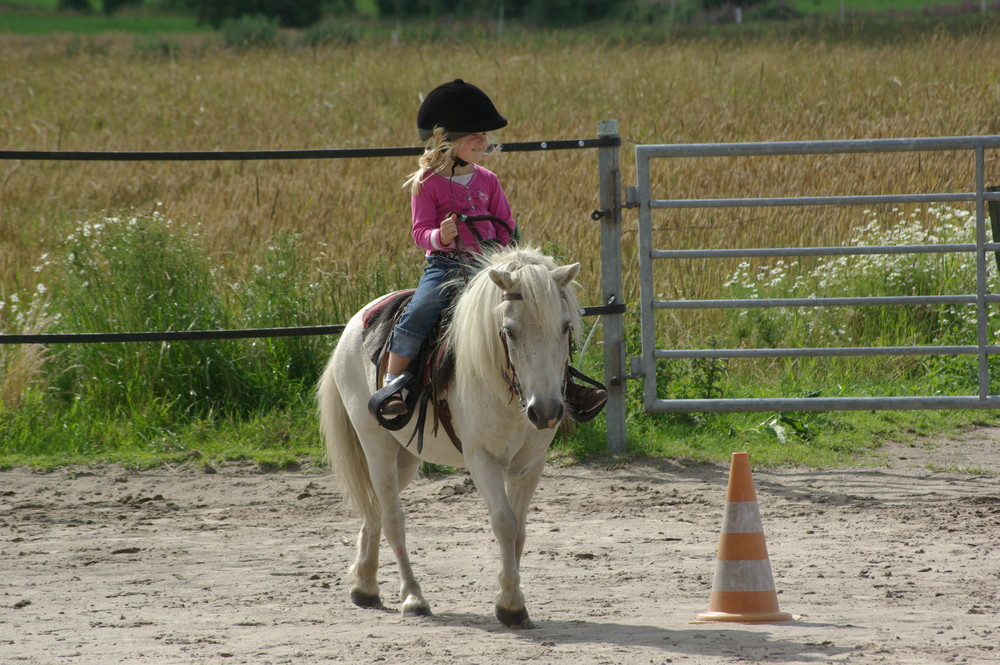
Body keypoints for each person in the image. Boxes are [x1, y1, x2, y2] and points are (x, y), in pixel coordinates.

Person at [373, 79, 607, 423]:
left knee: (537, 315)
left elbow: (505, 224)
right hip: (447, 265)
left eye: (484, 136)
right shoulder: (427, 183)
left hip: (493, 267)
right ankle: (394, 383)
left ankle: (563, 384)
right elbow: (420, 232)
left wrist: (507, 252)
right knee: (421, 310)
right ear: (449, 142)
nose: (484, 142)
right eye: (475, 137)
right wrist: (442, 235)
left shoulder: (488, 179)